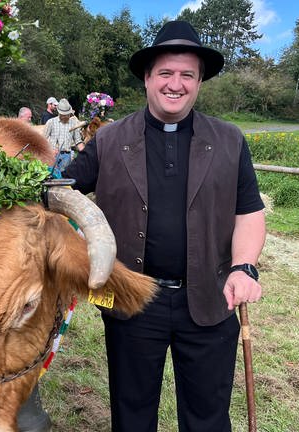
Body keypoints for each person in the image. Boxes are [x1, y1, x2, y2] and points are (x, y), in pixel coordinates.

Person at [63, 20, 266, 432]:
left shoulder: (229, 140)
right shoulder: (109, 139)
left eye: (187, 75)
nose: (176, 84)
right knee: (132, 414)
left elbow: (249, 210)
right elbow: (59, 192)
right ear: (147, 78)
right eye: (166, 73)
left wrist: (244, 266)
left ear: (199, 81)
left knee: (208, 417)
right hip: (132, 299)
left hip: (211, 298)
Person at [43, 98, 83, 172]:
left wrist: (85, 152)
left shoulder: (73, 123)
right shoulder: (51, 122)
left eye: (67, 114)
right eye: (63, 115)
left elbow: (78, 141)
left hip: (66, 156)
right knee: (52, 177)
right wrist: (49, 151)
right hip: (53, 155)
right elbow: (43, 140)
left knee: (64, 178)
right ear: (59, 112)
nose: (65, 116)